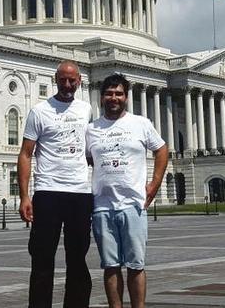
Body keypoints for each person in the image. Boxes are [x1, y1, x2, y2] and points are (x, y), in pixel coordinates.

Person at [85, 73, 168, 308]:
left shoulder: (141, 124)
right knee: (110, 266)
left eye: (118, 93)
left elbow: (162, 149)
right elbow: (88, 159)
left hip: (133, 205)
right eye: (109, 94)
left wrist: (155, 183)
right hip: (102, 206)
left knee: (136, 265)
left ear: (126, 97)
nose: (114, 98)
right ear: (101, 97)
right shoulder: (91, 130)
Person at [18, 60, 93, 308]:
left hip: (79, 192)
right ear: (55, 80)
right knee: (41, 259)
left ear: (80, 81)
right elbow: (26, 154)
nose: (68, 85)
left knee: (78, 259)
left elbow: (91, 151)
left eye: (72, 80)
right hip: (48, 191)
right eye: (63, 80)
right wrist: (25, 196)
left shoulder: (86, 109)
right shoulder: (39, 111)